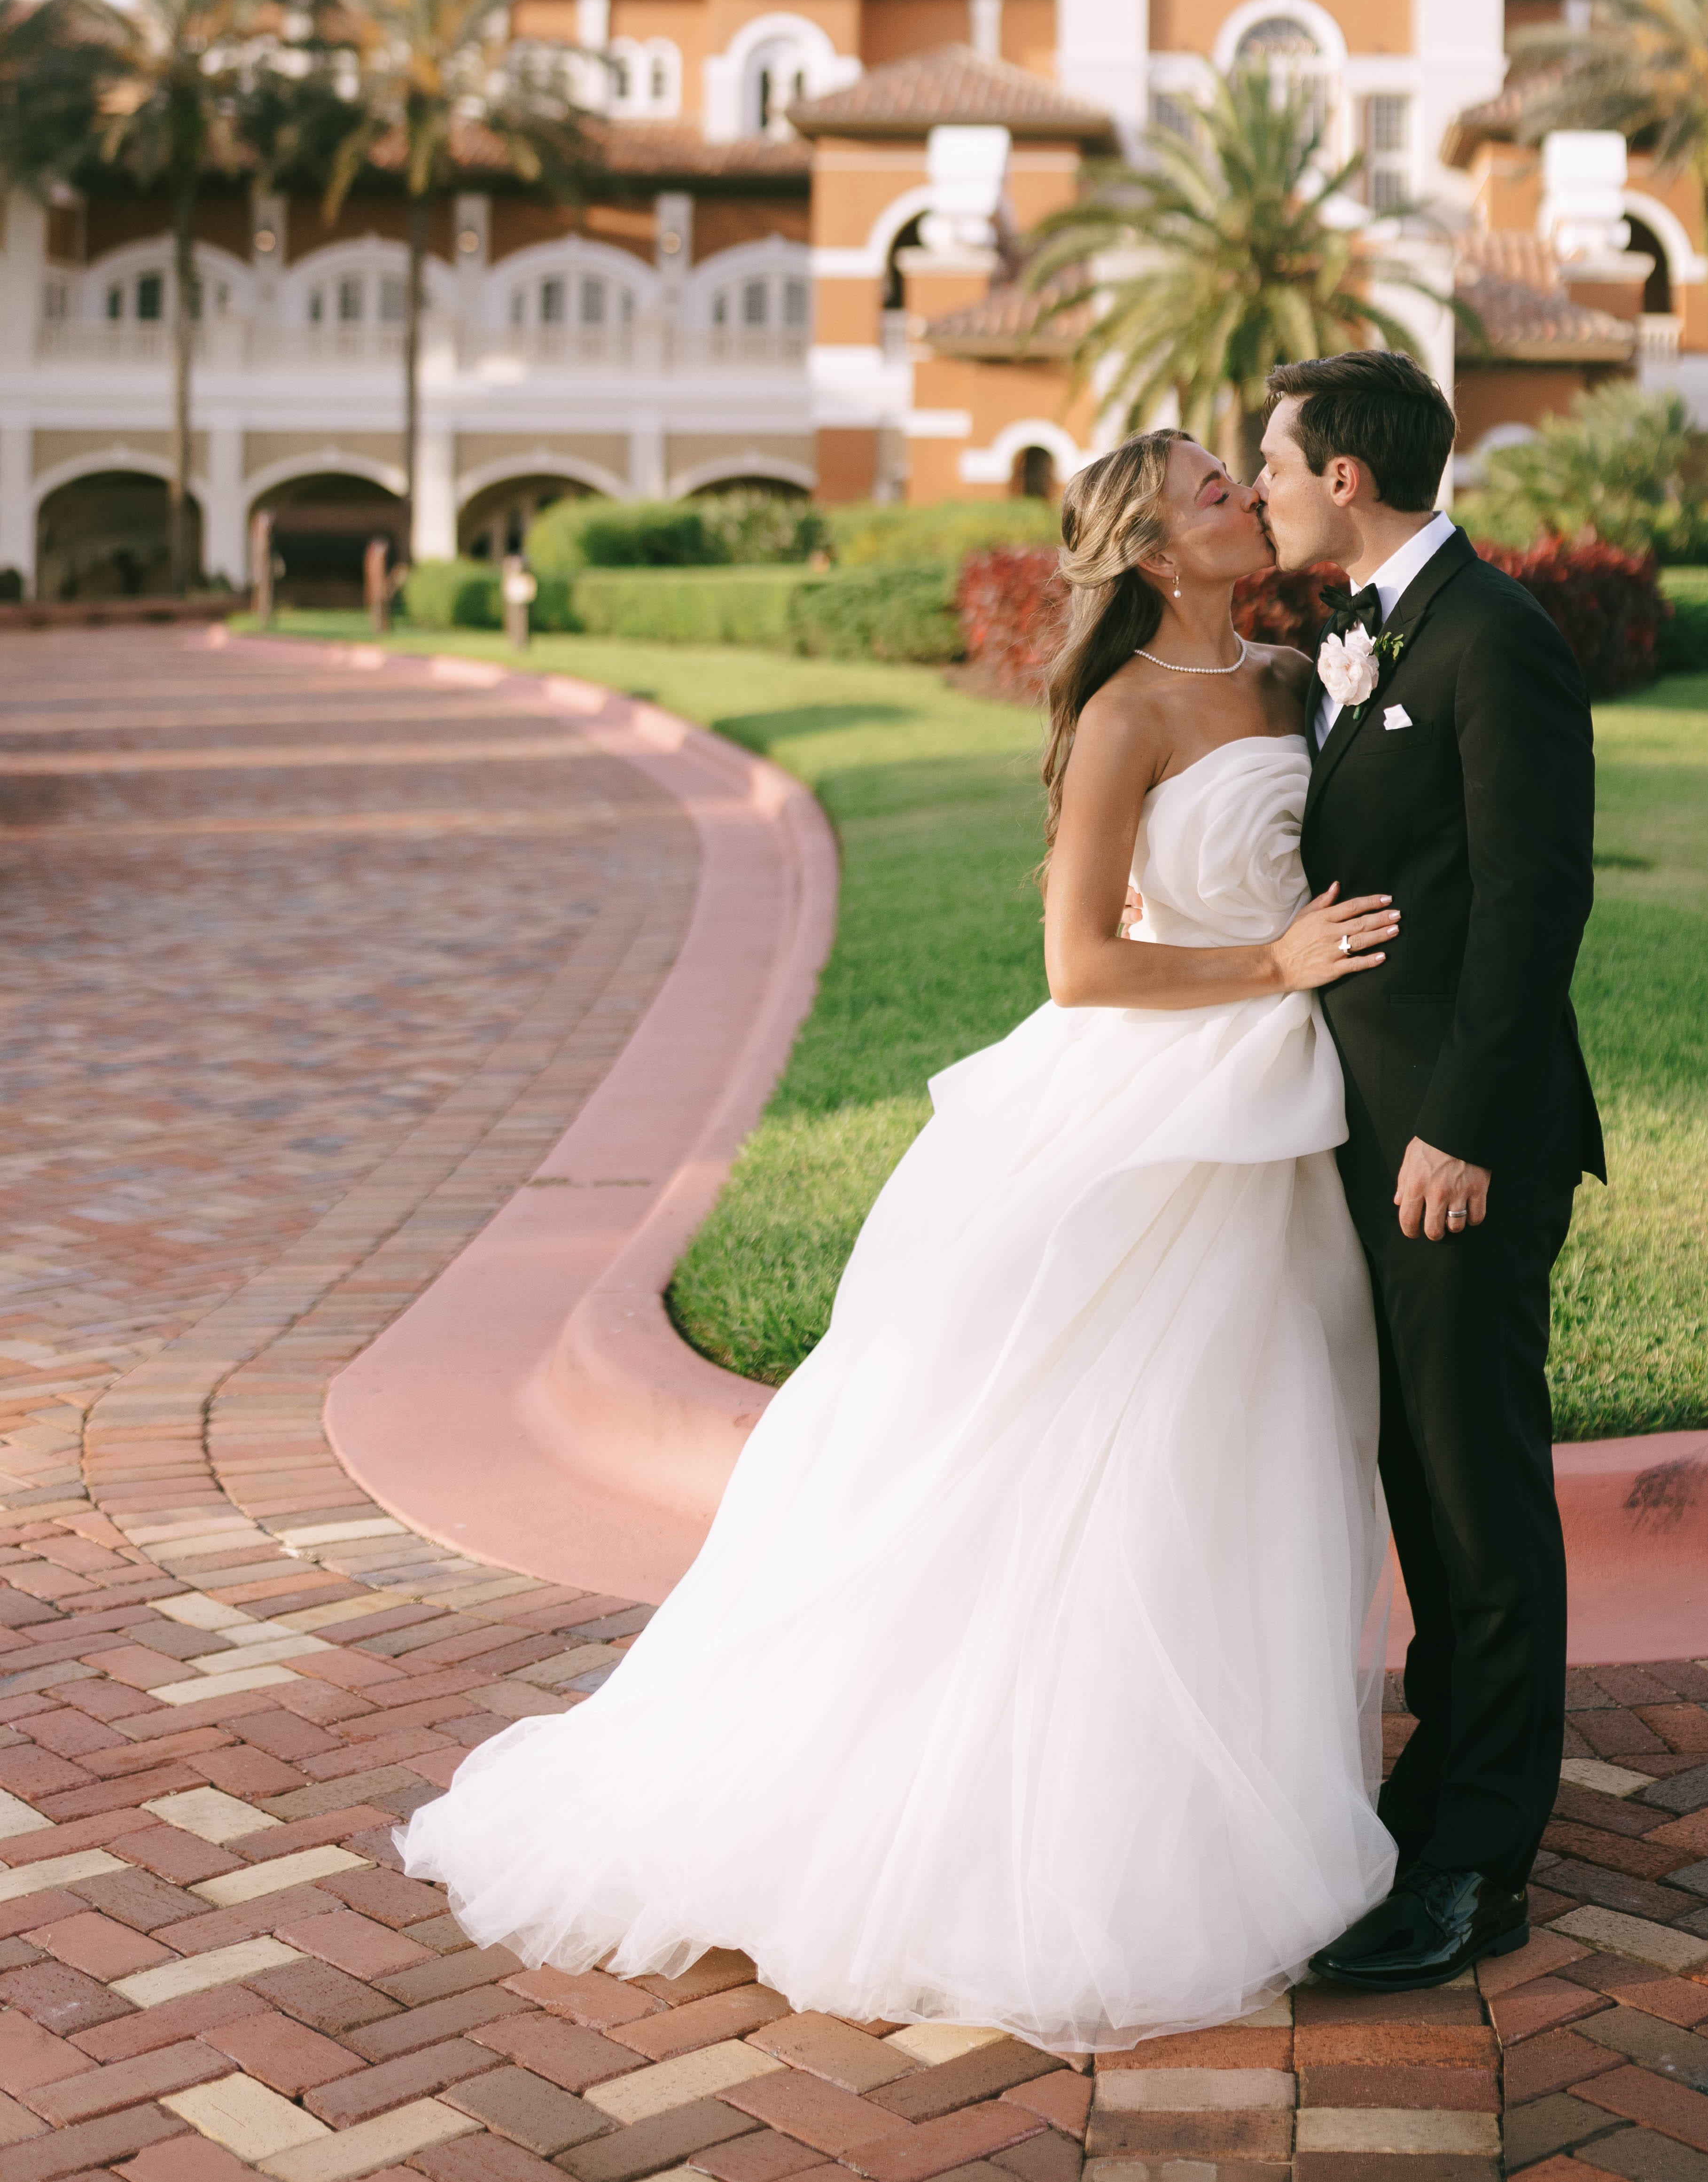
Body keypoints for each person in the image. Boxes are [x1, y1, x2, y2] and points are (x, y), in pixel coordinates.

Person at [395, 430, 1403, 2054]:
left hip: (1282, 1110)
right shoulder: (1125, 717)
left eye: (1238, 473)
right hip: (1159, 1098)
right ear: (1156, 553)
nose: (1240, 495)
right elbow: (1080, 966)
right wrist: (1270, 966)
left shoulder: (1297, 678)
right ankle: (1037, 1815)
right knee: (1100, 1437)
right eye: (1211, 490)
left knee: (1247, 1441)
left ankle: (1203, 1765)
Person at [1256, 350, 1603, 1993]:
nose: (1263, 488)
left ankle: (1482, 1859)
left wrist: (1458, 1126)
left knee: (1477, 1494)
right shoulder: (1364, 634)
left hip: (1462, 1143)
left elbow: (1535, 907)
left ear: (1345, 477)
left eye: (1274, 463)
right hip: (1369, 1132)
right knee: (1421, 1479)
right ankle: (1437, 1783)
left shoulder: (1492, 637)